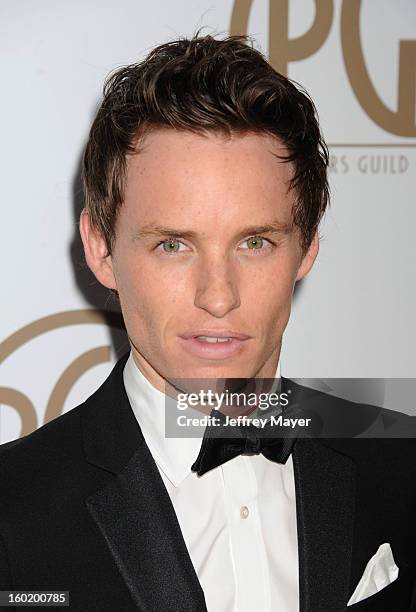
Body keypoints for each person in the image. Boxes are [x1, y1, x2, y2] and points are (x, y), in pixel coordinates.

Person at [0, 32, 415, 612]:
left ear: (308, 246)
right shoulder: (13, 513)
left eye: (254, 241)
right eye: (173, 244)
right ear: (100, 249)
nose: (217, 297)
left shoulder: (400, 463)